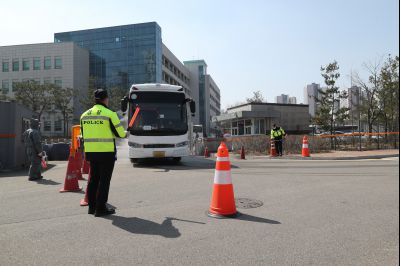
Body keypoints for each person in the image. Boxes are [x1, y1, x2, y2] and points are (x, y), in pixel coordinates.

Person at [80, 89, 127, 217]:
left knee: (93, 179)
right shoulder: (110, 114)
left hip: (91, 152)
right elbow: (120, 134)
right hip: (106, 152)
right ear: (106, 99)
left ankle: (92, 207)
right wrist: (127, 132)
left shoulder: (84, 115)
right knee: (104, 181)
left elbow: (83, 134)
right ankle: (101, 208)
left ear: (95, 99)